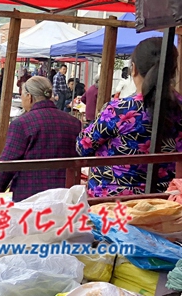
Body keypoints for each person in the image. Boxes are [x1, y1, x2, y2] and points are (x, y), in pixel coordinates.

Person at [77, 37, 182, 197]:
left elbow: (83, 147)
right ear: (173, 70)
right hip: (165, 199)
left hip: (112, 201)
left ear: (133, 69)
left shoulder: (118, 110)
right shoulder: (179, 108)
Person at [0, 76, 82, 201]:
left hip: (30, 197)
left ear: (29, 96)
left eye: (22, 95)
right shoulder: (74, 122)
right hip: (65, 195)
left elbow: (7, 165)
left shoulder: (21, 124)